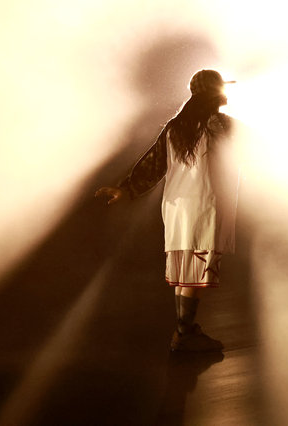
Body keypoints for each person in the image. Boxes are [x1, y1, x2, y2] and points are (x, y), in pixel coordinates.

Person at [96, 69, 240, 352]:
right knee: (195, 273)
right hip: (206, 205)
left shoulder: (176, 127)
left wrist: (126, 188)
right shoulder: (221, 126)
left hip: (177, 208)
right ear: (214, 92)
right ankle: (184, 334)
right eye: (222, 88)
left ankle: (185, 330)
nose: (226, 92)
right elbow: (258, 147)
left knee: (186, 271)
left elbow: (153, 164)